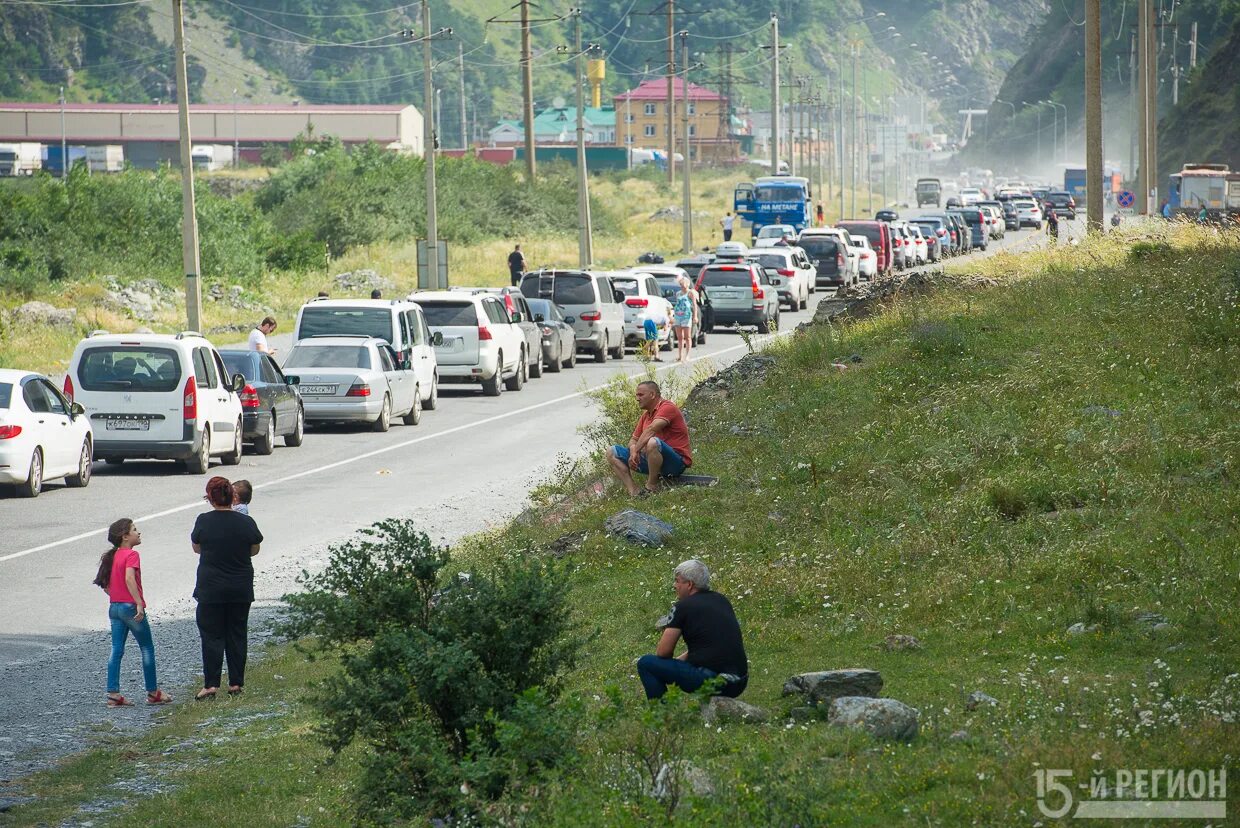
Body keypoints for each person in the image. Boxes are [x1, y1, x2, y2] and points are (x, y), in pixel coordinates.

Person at [191, 477, 263, 700]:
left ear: (210, 498)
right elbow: (255, 549)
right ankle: (235, 683)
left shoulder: (203, 520)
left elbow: (196, 548)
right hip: (240, 586)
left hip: (211, 587)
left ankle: (211, 684)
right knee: (237, 633)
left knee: (211, 635)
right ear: (233, 497)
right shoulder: (246, 522)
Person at [636, 559, 748, 700]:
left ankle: (663, 715)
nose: (675, 585)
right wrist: (678, 663)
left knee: (646, 663)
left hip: (713, 681)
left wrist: (669, 667)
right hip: (739, 682)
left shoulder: (682, 607)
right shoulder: (721, 600)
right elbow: (711, 645)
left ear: (689, 584)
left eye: (677, 581)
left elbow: (663, 652)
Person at [93, 519, 172, 707]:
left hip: (115, 608)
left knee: (117, 650)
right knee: (146, 648)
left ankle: (113, 694)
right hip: (130, 607)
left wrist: (117, 595)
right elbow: (130, 578)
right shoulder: (131, 555)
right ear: (125, 536)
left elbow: (104, 585)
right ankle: (153, 692)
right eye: (135, 530)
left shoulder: (112, 556)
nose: (139, 533)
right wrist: (138, 603)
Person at [607, 380, 692, 496]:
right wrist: (633, 451)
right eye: (636, 395)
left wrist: (636, 450)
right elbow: (633, 440)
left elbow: (651, 429)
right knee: (611, 451)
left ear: (652, 395)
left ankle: (651, 486)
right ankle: (634, 491)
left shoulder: (667, 407)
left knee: (652, 442)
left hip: (675, 463)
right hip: (653, 461)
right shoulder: (646, 415)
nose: (637, 398)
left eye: (640, 395)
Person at [671, 276, 694, 363]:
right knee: (680, 337)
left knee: (687, 337)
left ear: (687, 284)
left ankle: (687, 355)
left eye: (683, 284)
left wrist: (695, 316)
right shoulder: (678, 294)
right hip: (678, 316)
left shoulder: (690, 293)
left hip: (687, 316)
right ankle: (680, 356)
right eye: (681, 284)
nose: (682, 286)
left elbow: (694, 305)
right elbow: (677, 304)